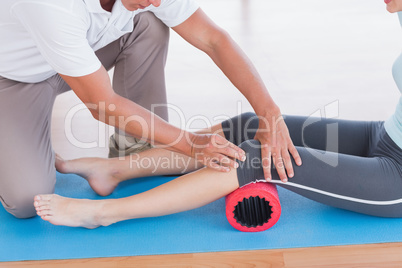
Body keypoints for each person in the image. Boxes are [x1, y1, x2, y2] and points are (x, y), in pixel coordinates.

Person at [33, 0, 402, 228]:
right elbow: (214, 39)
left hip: (396, 178)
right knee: (255, 126)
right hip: (384, 137)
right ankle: (114, 169)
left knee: (257, 160)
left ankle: (104, 214)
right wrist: (270, 113)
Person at [0, 0, 302, 218]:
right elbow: (102, 104)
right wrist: (192, 144)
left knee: (151, 23)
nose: (156, 0)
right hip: (16, 79)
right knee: (27, 201)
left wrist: (269, 113)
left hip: (84, 53)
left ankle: (124, 163)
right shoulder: (50, 6)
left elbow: (213, 40)